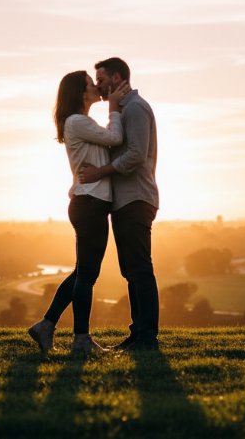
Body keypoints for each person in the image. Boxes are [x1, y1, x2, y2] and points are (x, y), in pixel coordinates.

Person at [27, 70, 130, 355]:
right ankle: (81, 340)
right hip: (90, 203)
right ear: (81, 92)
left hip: (90, 203)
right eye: (90, 83)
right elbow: (116, 138)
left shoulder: (81, 122)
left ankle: (46, 325)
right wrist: (114, 109)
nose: (96, 85)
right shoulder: (77, 122)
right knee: (86, 275)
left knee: (82, 273)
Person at [78, 57, 160, 351]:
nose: (97, 85)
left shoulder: (136, 108)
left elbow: (136, 154)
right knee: (130, 270)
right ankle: (137, 333)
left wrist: (99, 172)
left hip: (136, 197)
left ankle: (147, 336)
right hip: (124, 201)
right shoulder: (121, 111)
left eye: (100, 80)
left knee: (139, 268)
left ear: (116, 78)